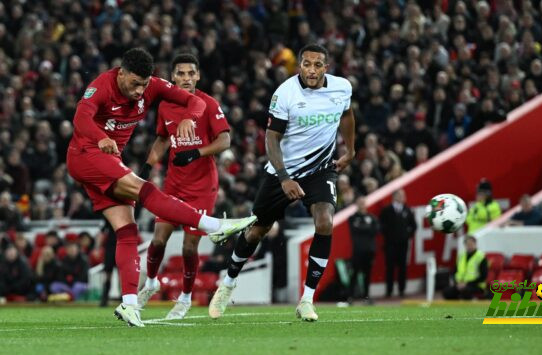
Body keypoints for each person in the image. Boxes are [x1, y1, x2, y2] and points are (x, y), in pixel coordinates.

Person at [65, 48, 256, 327]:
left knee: (127, 230)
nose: (140, 90)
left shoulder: (152, 87)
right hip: (86, 154)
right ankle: (214, 226)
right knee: (145, 190)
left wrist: (190, 116)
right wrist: (101, 136)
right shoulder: (101, 87)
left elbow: (194, 102)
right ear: (121, 74)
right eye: (134, 84)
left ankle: (130, 304)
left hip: (107, 161)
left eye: (144, 84)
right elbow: (81, 118)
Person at [208, 43, 356, 322]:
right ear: (299, 65)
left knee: (325, 221)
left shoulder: (342, 88)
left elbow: (347, 115)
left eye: (317, 64)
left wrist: (350, 149)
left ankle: (307, 300)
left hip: (320, 169)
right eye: (306, 64)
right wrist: (285, 177)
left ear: (327, 67)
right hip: (282, 171)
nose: (311, 70)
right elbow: (271, 138)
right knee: (257, 231)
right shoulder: (285, 93)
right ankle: (227, 284)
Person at [136, 54, 231, 319]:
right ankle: (151, 283)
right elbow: (161, 140)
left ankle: (185, 299)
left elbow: (225, 141)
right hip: (173, 184)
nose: (187, 78)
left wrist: (196, 153)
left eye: (191, 74)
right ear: (173, 77)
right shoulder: (166, 105)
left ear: (198, 76)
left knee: (189, 247)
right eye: (181, 74)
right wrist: (146, 168)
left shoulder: (208, 104)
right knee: (157, 240)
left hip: (202, 186)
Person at [380, 189, 417, 298]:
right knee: (390, 267)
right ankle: (389, 291)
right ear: (394, 196)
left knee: (402, 267)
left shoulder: (407, 210)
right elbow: (381, 225)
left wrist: (407, 236)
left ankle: (401, 290)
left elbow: (414, 226)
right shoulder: (387, 210)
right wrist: (388, 235)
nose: (403, 197)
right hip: (390, 244)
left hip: (403, 244)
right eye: (401, 195)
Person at [348, 196, 379, 303]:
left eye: (363, 203)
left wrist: (362, 227)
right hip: (357, 250)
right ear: (356, 204)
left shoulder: (372, 217)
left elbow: (375, 230)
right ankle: (350, 297)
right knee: (354, 273)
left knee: (367, 274)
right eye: (359, 203)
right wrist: (367, 227)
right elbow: (354, 230)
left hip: (369, 250)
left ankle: (366, 297)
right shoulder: (352, 218)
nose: (362, 205)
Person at [443, 235, 488, 300]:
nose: (469, 246)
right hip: (460, 284)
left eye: (471, 244)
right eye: (467, 244)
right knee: (447, 292)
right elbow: (454, 271)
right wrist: (457, 283)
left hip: (475, 285)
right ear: (465, 245)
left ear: (475, 244)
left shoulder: (480, 257)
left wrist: (467, 283)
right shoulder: (461, 256)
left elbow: (483, 276)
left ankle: (473, 301)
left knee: (466, 291)